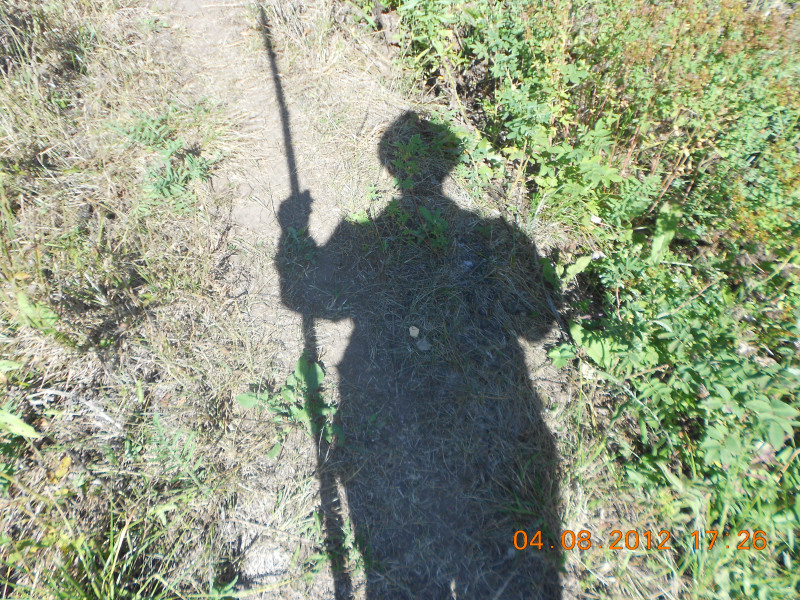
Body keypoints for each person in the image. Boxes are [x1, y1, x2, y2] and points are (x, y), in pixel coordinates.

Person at [277, 111, 561, 599]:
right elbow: (539, 326)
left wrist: (293, 230)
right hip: (502, 451)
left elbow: (305, 297)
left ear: (390, 168)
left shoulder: (363, 237)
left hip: (394, 436)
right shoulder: (496, 236)